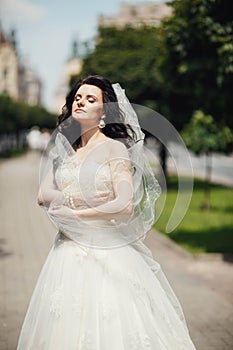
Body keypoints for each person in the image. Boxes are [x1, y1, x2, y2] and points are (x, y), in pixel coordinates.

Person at [17, 74, 196, 349]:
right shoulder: (66, 149)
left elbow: (124, 204)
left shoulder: (114, 149)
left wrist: (76, 211)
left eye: (91, 99)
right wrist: (78, 197)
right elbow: (43, 194)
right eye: (78, 98)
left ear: (104, 111)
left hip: (108, 252)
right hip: (66, 252)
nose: (81, 102)